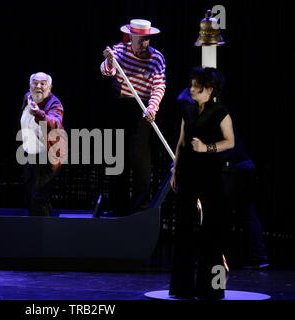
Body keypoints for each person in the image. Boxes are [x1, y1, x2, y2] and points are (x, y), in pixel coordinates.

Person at [177, 88, 269, 269]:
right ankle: (259, 258)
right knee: (245, 213)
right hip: (242, 166)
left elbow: (222, 146)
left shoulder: (212, 115)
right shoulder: (214, 114)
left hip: (234, 168)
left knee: (218, 215)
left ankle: (214, 259)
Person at [169, 67, 234, 300]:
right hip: (187, 170)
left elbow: (230, 142)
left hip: (209, 173)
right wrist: (175, 168)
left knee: (211, 229)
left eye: (197, 86)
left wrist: (207, 148)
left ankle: (212, 288)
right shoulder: (188, 109)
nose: (192, 89)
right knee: (184, 227)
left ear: (209, 89)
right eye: (192, 84)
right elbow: (181, 141)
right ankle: (182, 288)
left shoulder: (220, 112)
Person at [101, 19, 166, 216]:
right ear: (131, 37)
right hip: (121, 106)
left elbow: (159, 85)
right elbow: (106, 71)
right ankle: (118, 207)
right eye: (139, 39)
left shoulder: (157, 57)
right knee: (117, 158)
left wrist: (152, 107)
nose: (142, 44)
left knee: (141, 161)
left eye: (146, 40)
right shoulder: (119, 50)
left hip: (142, 109)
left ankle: (140, 209)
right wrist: (109, 60)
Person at [19, 72, 66, 216]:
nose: (38, 86)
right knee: (29, 195)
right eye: (35, 83)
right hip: (30, 153)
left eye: (43, 83)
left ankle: (44, 233)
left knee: (40, 197)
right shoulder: (28, 97)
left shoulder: (55, 103)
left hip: (48, 154)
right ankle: (35, 229)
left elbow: (55, 122)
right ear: (30, 85)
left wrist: (39, 114)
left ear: (49, 87)